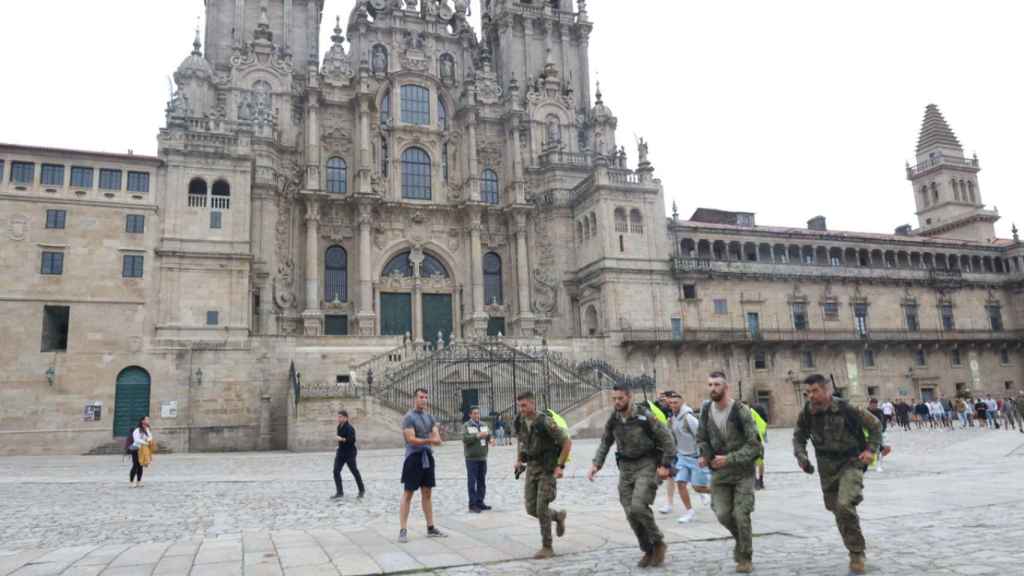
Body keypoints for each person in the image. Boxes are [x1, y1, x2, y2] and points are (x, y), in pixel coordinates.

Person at [794, 374, 882, 575]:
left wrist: (871, 450)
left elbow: (875, 425)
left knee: (844, 505)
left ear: (827, 390)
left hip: (851, 463)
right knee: (839, 511)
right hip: (826, 469)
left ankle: (857, 553)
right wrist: (801, 456)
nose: (811, 396)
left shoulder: (847, 409)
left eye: (815, 391)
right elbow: (798, 436)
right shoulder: (807, 412)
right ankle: (853, 548)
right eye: (808, 392)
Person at [589, 385, 675, 568]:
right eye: (614, 399)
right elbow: (606, 441)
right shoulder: (614, 418)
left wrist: (666, 465)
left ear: (629, 397)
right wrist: (596, 464)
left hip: (647, 464)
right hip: (626, 468)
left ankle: (658, 542)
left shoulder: (645, 416)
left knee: (638, 506)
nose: (617, 402)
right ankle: (648, 549)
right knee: (630, 513)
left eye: (620, 398)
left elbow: (667, 439)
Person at [695, 371, 763, 574]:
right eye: (710, 384)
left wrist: (729, 459)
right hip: (719, 473)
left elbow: (755, 446)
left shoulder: (740, 411)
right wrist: (704, 455)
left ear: (726, 387)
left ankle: (745, 556)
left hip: (742, 471)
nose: (712, 388)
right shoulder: (706, 410)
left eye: (716, 384)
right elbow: (702, 438)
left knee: (741, 515)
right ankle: (741, 540)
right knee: (723, 514)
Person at [514, 391, 571, 559]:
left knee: (541, 507)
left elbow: (566, 442)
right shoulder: (520, 421)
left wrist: (560, 466)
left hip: (547, 468)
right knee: (531, 509)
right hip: (531, 467)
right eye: (520, 406)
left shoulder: (545, 421)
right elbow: (522, 441)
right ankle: (558, 516)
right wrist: (519, 460)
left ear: (533, 404)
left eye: (524, 405)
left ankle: (547, 546)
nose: (521, 409)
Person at [398, 388, 445, 543]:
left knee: (427, 493)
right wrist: (429, 440)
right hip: (413, 458)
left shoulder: (430, 417)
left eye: (425, 397)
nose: (424, 400)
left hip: (427, 458)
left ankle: (430, 527)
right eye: (421, 397)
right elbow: (411, 439)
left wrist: (430, 439)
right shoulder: (408, 417)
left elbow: (436, 435)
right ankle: (403, 529)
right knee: (408, 493)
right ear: (415, 399)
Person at [667, 391, 710, 523]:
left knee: (698, 487)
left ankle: (723, 491)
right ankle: (690, 512)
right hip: (682, 457)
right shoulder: (672, 419)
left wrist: (703, 455)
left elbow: (702, 436)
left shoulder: (689, 418)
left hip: (695, 457)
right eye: (671, 403)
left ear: (682, 403)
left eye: (676, 403)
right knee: (680, 483)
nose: (673, 405)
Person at [463, 406, 494, 512]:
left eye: (478, 413)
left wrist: (491, 439)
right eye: (475, 413)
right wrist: (477, 435)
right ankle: (472, 504)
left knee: (482, 481)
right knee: (472, 482)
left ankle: (480, 502)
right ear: (470, 415)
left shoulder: (484, 425)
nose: (477, 415)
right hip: (471, 459)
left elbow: (489, 436)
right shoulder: (466, 425)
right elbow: (465, 439)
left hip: (482, 457)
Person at [332, 410, 365, 499]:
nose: (338, 418)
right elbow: (340, 439)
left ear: (346, 418)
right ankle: (339, 492)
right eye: (338, 417)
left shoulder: (350, 428)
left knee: (354, 471)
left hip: (350, 453)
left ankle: (361, 490)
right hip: (341, 452)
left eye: (340, 417)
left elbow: (351, 440)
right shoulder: (339, 426)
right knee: (336, 471)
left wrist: (342, 439)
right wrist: (339, 444)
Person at [129, 416, 152, 487]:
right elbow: (136, 440)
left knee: (140, 466)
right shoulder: (137, 430)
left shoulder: (147, 429)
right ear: (142, 421)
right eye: (147, 419)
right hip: (136, 449)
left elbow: (150, 437)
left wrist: (148, 440)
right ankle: (131, 482)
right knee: (135, 465)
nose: (148, 421)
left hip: (143, 449)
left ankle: (138, 482)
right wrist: (145, 442)